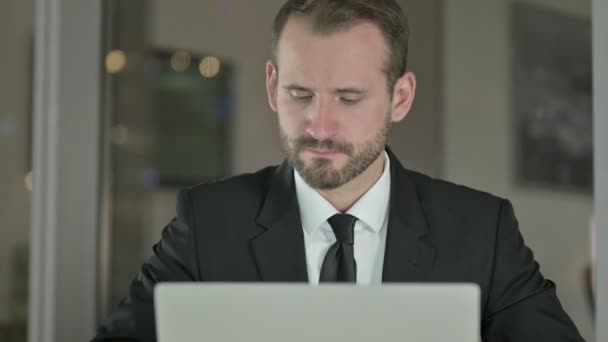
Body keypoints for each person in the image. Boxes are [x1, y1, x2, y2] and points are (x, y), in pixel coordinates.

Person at [92, 0, 584, 341]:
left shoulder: (483, 232)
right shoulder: (206, 223)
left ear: (401, 97)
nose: (319, 126)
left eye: (349, 99)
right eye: (299, 94)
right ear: (272, 85)